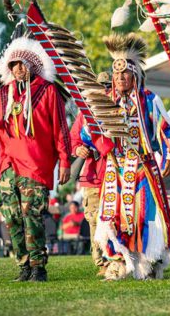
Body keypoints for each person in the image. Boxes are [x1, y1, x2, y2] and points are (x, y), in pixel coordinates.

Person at [87, 33, 170, 281]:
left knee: (143, 214)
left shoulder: (150, 100)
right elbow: (90, 133)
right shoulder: (105, 102)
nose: (119, 78)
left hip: (142, 168)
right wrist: (99, 141)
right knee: (111, 215)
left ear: (135, 75)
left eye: (124, 74)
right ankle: (117, 261)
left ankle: (148, 263)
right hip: (114, 169)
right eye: (116, 74)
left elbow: (167, 130)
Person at [0, 37, 72, 283]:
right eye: (13, 65)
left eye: (22, 63)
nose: (18, 69)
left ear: (32, 64)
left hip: (35, 163)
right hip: (8, 165)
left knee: (30, 214)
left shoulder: (48, 90)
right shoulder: (1, 95)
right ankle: (23, 266)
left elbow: (61, 129)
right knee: (11, 216)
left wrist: (65, 160)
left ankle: (38, 267)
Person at [70, 110, 106, 274]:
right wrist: (78, 150)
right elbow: (73, 139)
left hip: (116, 173)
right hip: (93, 175)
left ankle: (118, 258)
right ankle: (102, 263)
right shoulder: (85, 112)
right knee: (94, 220)